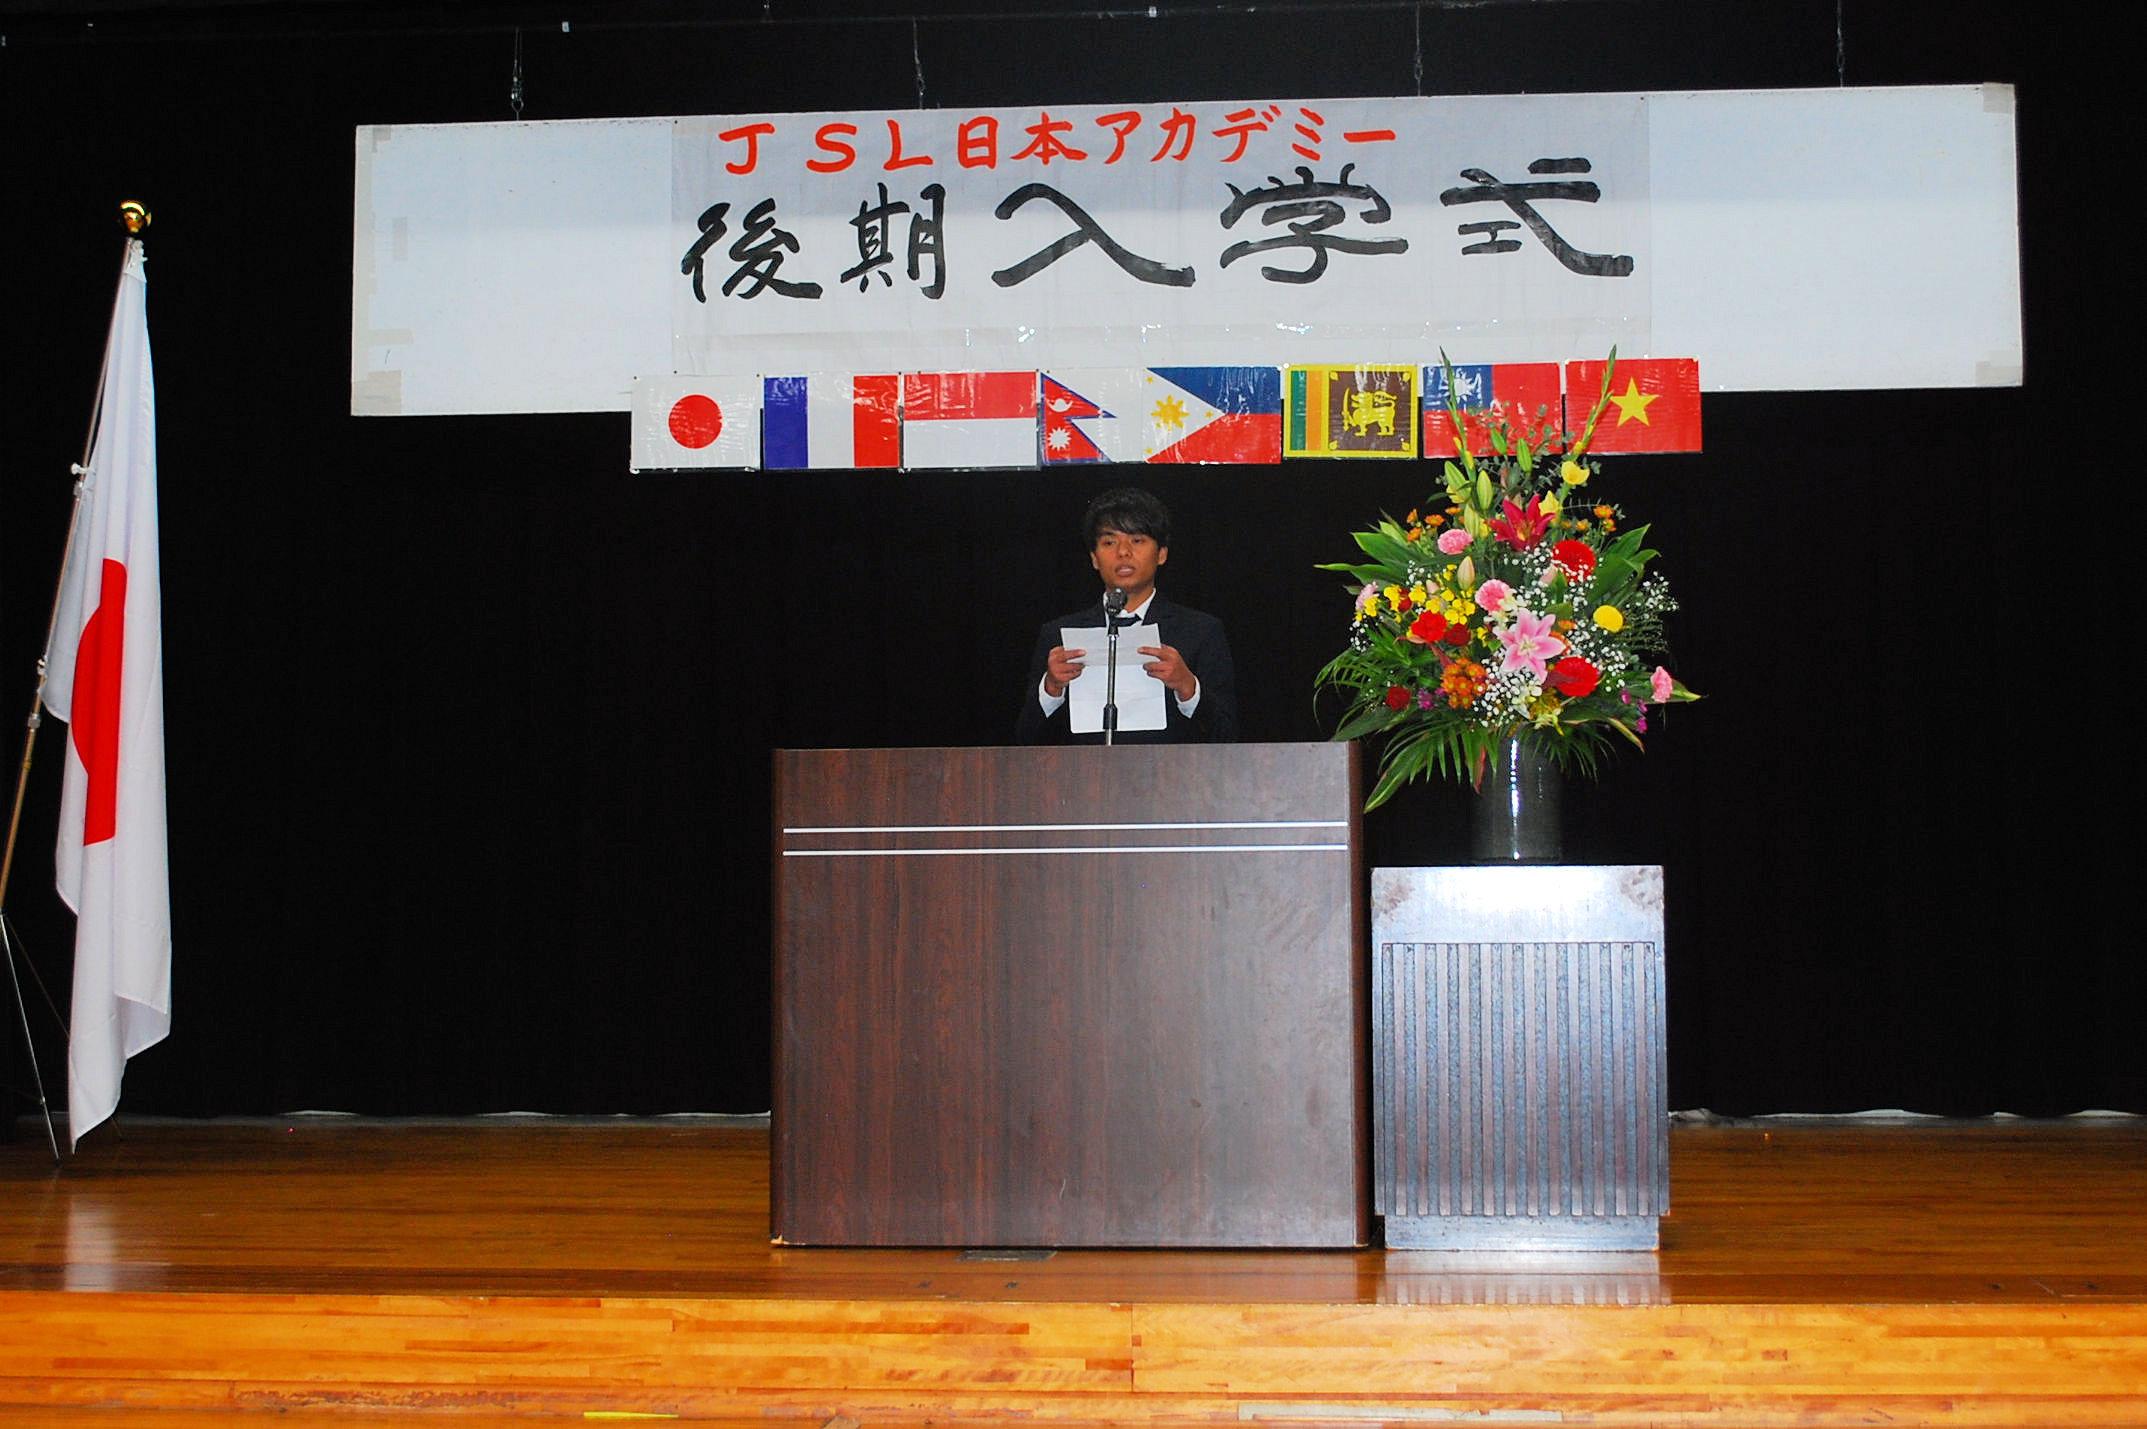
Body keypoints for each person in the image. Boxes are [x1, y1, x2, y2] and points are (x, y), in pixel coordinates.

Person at [1015, 487, 1238, 745]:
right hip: (1084, 771)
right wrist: (1051, 689)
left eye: (1137, 540)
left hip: (1170, 770)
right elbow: (1025, 741)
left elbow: (1227, 737)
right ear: (1094, 559)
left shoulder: (1200, 631)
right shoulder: (1058, 636)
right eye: (1109, 542)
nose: (1123, 552)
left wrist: (1188, 687)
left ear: (1162, 554)